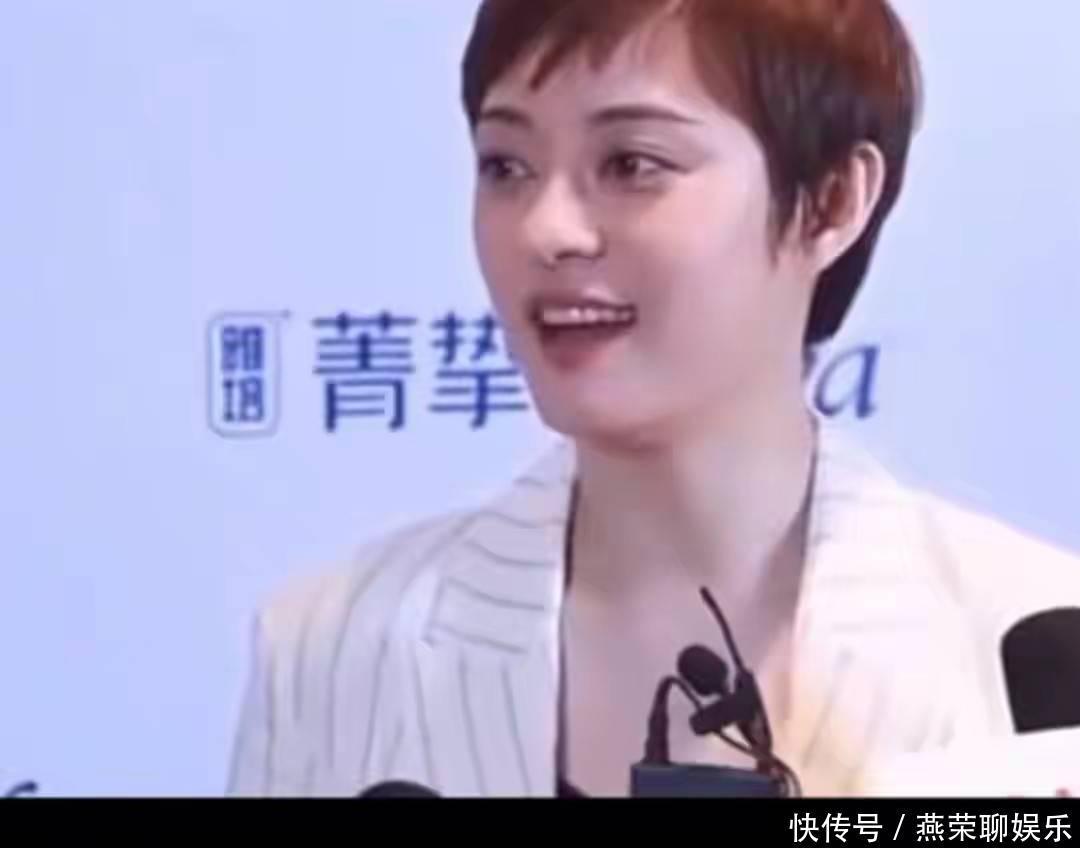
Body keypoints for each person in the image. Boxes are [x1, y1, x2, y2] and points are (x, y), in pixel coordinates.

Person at [227, 0, 1080, 797]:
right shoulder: (327, 647)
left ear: (831, 200)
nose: (546, 229)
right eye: (506, 166)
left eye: (632, 165)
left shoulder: (1032, 644)